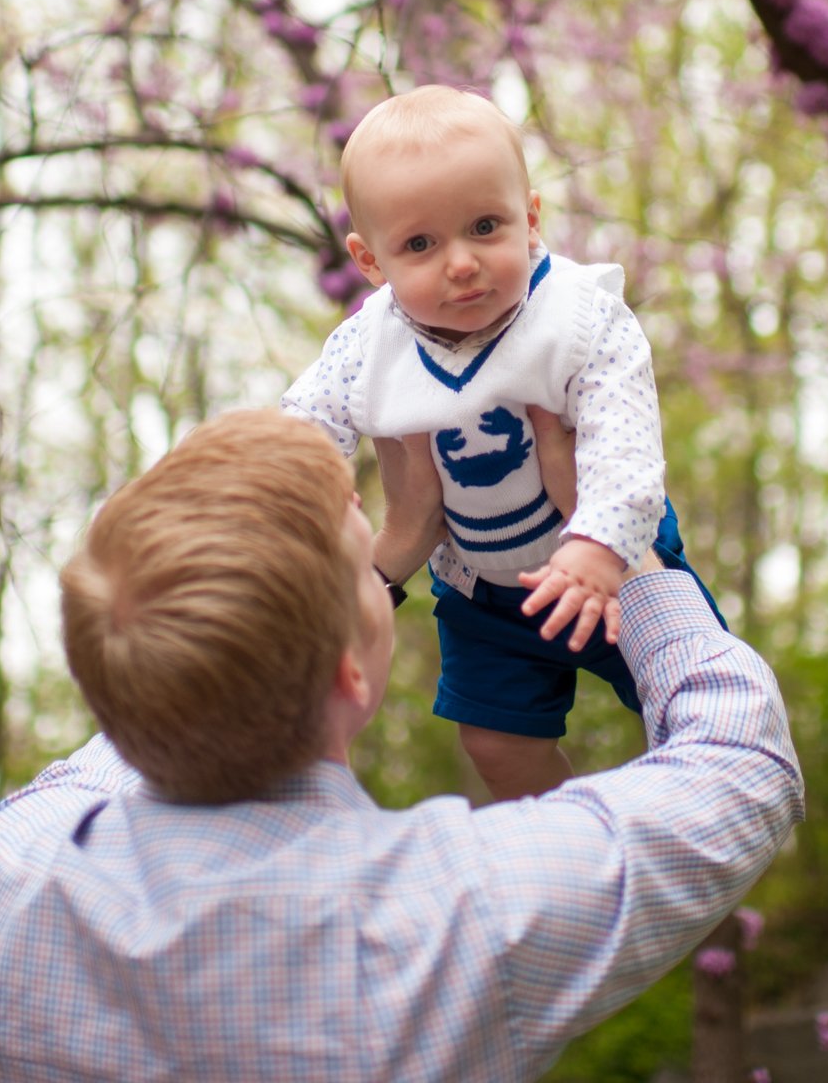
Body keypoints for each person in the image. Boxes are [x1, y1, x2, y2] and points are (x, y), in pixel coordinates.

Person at [0, 409, 802, 1083]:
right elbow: (743, 763)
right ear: (350, 678)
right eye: (366, 574)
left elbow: (163, 675)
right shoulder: (455, 913)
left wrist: (386, 552)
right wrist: (622, 543)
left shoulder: (12, 870)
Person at [281, 84, 722, 799]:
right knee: (494, 740)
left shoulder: (579, 318)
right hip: (482, 587)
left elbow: (625, 446)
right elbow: (304, 428)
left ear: (531, 218)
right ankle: (558, 834)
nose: (461, 263)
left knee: (680, 698)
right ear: (369, 262)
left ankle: (683, 808)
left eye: (486, 227)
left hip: (607, 555)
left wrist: (598, 546)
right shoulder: (368, 346)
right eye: (420, 244)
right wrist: (304, 504)